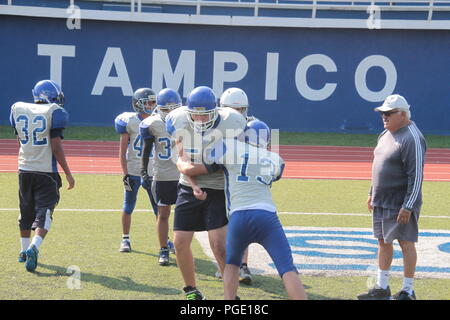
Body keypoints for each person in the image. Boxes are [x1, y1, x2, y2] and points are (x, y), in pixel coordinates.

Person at [177, 120, 307, 300]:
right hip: (266, 217)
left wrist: (182, 162)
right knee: (287, 269)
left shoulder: (228, 147)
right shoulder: (276, 160)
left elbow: (203, 167)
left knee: (231, 265)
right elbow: (274, 175)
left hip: (238, 217)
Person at [165, 86, 247, 300]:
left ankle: (231, 295)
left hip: (219, 186)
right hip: (188, 186)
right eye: (196, 114)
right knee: (180, 241)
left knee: (219, 245)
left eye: (205, 114)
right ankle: (191, 290)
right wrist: (192, 183)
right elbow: (181, 158)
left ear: (216, 111)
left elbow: (228, 161)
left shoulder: (231, 122)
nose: (200, 120)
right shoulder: (179, 120)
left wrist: (194, 169)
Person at [358, 94, 426, 300]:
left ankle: (408, 290)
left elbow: (416, 175)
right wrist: (372, 191)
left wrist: (408, 205)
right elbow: (378, 165)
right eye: (382, 113)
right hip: (381, 200)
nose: (384, 117)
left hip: (400, 203)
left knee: (406, 243)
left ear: (403, 115)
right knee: (382, 242)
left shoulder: (412, 137)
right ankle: (382, 287)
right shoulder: (385, 134)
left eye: (389, 113)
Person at [9, 79, 75, 272]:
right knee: (45, 212)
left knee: (25, 210)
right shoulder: (54, 112)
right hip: (46, 171)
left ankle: (22, 251)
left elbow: (19, 141)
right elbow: (55, 146)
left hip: (25, 169)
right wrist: (69, 174)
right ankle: (33, 247)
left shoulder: (18, 109)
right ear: (50, 96)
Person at [218, 87, 256, 284]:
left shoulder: (254, 126)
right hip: (221, 180)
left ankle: (243, 264)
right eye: (233, 109)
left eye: (240, 109)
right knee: (223, 223)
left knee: (241, 221)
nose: (237, 113)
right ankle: (228, 263)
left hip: (244, 181)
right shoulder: (216, 125)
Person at [139, 88, 181, 266]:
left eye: (173, 108)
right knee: (162, 214)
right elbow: (146, 149)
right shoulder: (151, 124)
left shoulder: (186, 120)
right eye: (166, 109)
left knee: (183, 216)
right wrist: (143, 171)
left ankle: (181, 248)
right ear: (159, 108)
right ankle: (163, 249)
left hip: (183, 176)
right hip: (162, 175)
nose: (170, 113)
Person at [114, 88, 159, 253]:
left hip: (153, 172)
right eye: (148, 102)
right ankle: (125, 239)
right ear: (138, 104)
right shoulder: (130, 121)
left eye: (153, 102)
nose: (152, 105)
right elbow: (122, 151)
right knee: (128, 205)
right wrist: (124, 173)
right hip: (133, 171)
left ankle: (165, 240)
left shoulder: (157, 120)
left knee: (159, 209)